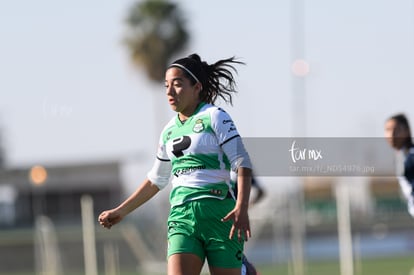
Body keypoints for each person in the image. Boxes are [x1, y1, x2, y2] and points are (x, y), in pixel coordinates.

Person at [99, 53, 253, 275]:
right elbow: (156, 179)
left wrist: (242, 207)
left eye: (178, 84)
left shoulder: (215, 117)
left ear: (196, 87)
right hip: (182, 216)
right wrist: (122, 211)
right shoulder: (168, 130)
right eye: (166, 86)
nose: (170, 92)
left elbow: (242, 162)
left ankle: (245, 270)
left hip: (219, 213)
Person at [384, 113, 414, 217]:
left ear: (406, 131)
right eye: (388, 130)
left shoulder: (411, 155)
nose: (391, 134)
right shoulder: (400, 156)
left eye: (396, 130)